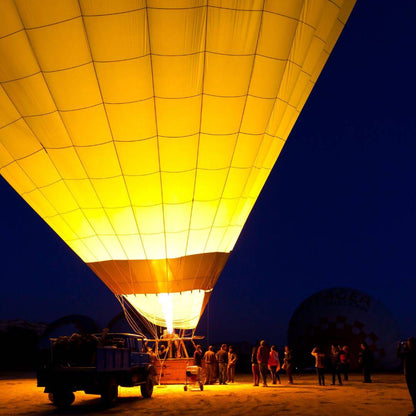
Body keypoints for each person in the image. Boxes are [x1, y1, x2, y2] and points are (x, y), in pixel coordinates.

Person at [397, 337, 416, 416]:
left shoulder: (408, 353)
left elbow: (398, 355)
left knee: (413, 393)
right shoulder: (409, 352)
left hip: (410, 375)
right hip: (412, 374)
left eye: (408, 342)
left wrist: (399, 347)